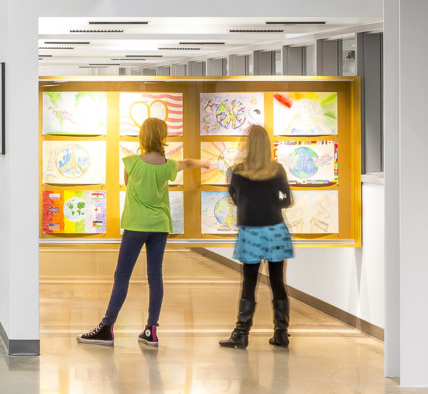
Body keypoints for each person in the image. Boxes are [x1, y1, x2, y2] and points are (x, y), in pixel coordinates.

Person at [79, 118, 207, 347]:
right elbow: (186, 163)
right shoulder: (167, 165)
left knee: (122, 276)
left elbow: (128, 184)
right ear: (163, 137)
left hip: (136, 225)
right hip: (159, 226)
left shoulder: (131, 162)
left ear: (142, 136)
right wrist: (204, 162)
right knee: (155, 276)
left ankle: (107, 328)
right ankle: (151, 330)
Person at [220, 124, 296, 349]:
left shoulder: (236, 171)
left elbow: (235, 198)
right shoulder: (277, 170)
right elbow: (287, 200)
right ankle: (281, 333)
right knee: (277, 282)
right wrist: (273, 203)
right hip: (275, 230)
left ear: (248, 145)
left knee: (249, 282)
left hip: (250, 231)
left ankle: (241, 334)